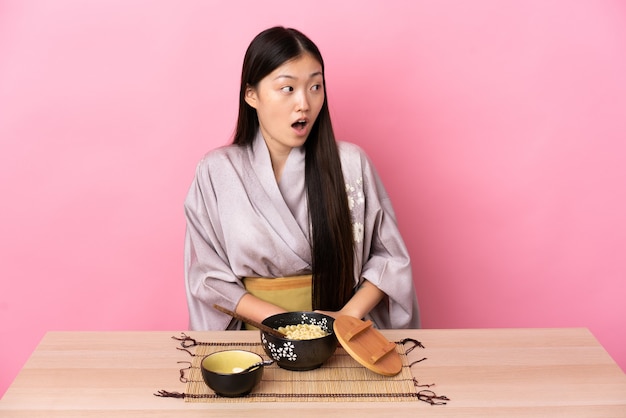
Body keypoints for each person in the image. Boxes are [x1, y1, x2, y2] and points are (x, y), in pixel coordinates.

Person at [184, 26, 420, 331]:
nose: (304, 104)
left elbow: (390, 259)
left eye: (315, 86)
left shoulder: (351, 163)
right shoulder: (216, 171)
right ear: (251, 95)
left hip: (340, 333)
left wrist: (345, 317)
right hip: (256, 336)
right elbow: (207, 275)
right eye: (288, 88)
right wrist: (286, 324)